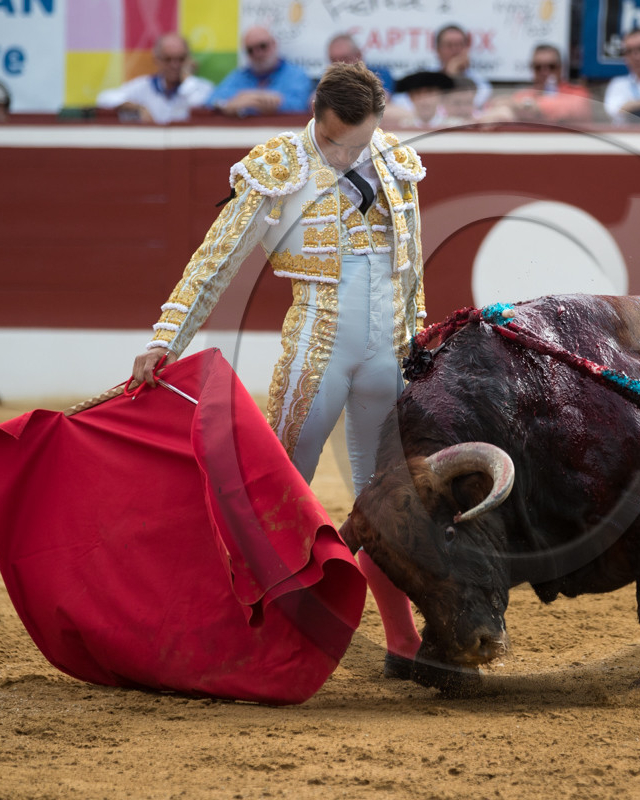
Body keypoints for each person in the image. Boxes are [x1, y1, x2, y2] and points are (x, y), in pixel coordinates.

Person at [131, 62, 427, 677]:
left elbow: (412, 266)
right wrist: (166, 339)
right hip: (317, 353)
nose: (350, 152)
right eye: (337, 139)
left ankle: (403, 644)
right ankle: (242, 634)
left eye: (362, 139)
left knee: (388, 506)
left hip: (389, 356)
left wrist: (418, 342)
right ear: (316, 116)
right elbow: (214, 261)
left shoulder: (395, 159)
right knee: (278, 494)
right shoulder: (277, 166)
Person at [95, 33, 213, 124]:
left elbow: (198, 103)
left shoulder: (201, 87)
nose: (174, 65)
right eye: (168, 59)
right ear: (157, 60)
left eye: (180, 59)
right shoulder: (144, 85)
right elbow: (104, 98)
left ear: (188, 59)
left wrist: (187, 79)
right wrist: (137, 108)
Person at [208, 26, 313, 117]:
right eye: (250, 50)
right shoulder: (239, 76)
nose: (257, 53)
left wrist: (252, 98)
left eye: (262, 46)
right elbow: (210, 101)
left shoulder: (296, 74)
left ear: (274, 44)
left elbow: (301, 105)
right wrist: (227, 105)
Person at [502, 43, 592, 123]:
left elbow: (578, 107)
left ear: (561, 67)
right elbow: (506, 109)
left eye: (551, 66)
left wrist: (530, 105)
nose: (544, 72)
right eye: (538, 67)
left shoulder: (577, 92)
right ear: (532, 68)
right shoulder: (524, 95)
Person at [434, 24, 491, 110]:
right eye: (449, 45)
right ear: (438, 50)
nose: (455, 50)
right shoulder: (426, 81)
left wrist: (455, 75)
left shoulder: (480, 84)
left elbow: (466, 108)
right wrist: (450, 74)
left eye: (459, 45)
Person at [325, 32, 394, 97]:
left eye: (344, 59)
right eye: (334, 61)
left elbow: (382, 100)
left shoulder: (380, 74)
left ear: (358, 55)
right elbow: (317, 100)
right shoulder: (326, 80)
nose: (339, 65)